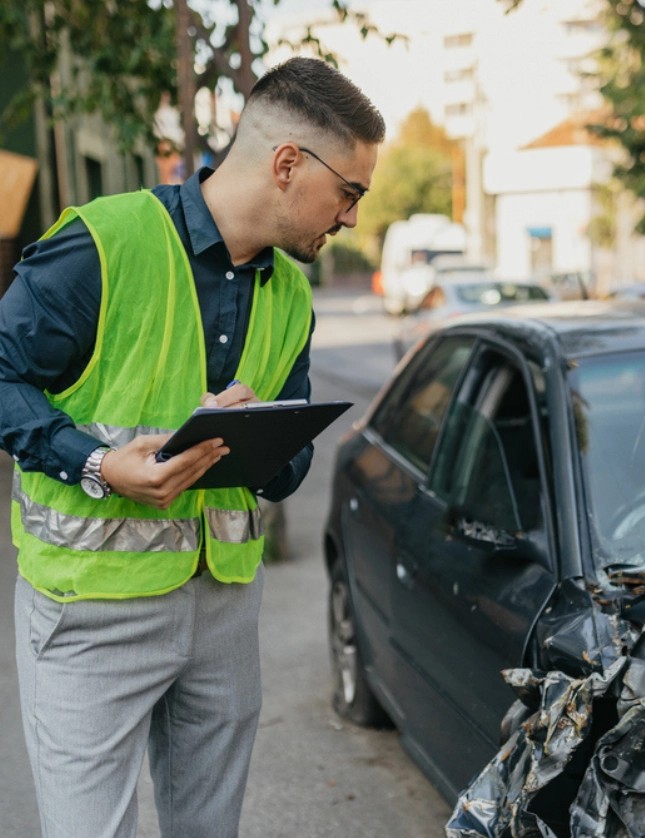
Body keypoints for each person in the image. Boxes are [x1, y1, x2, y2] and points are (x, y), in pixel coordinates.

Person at [0, 57, 384, 838]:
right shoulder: (101, 245)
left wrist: (265, 441)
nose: (350, 218)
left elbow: (289, 465)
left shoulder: (293, 293)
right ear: (287, 164)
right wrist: (99, 464)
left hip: (224, 612)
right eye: (350, 192)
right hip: (88, 612)